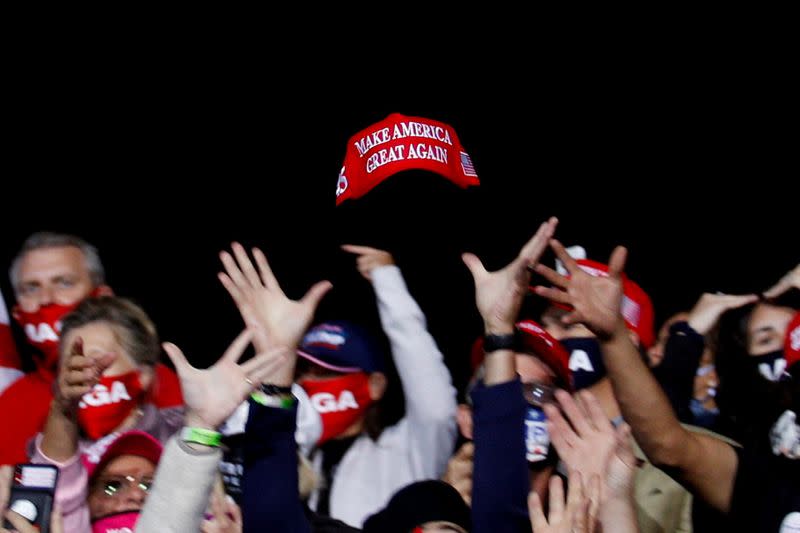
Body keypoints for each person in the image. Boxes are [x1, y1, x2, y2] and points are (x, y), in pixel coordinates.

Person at [533, 241, 800, 531]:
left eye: (567, 325)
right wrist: (613, 337)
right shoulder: (770, 483)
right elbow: (666, 445)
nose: (553, 335)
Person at [217, 242, 458, 527]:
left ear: (375, 385)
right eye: (305, 370)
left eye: (327, 372)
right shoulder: (287, 457)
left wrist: (388, 281)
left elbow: (435, 403)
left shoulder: (407, 453)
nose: (309, 381)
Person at [0, 232, 182, 465]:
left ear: (103, 297)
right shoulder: (12, 403)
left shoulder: (153, 381)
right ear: (17, 313)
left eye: (64, 283)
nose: (46, 299)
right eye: (32, 288)